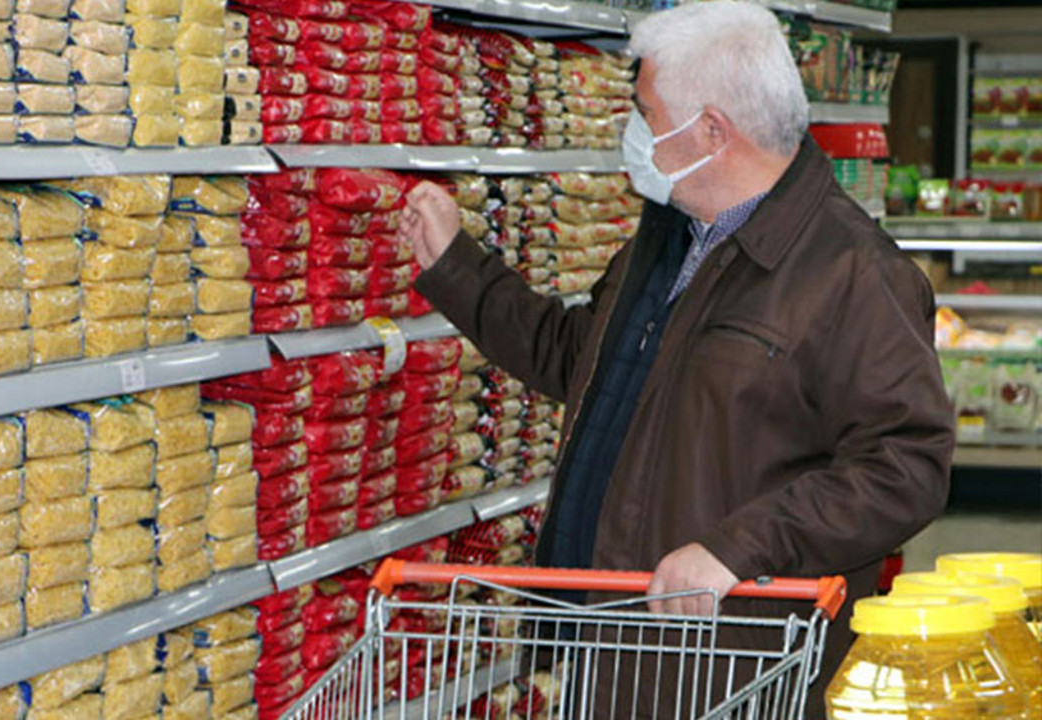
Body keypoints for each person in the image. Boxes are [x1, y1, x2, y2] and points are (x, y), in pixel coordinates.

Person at [401, 2, 954, 717]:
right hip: (617, 644)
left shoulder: (853, 275)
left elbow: (906, 466)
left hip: (738, 669)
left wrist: (738, 548)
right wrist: (455, 267)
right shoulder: (666, 241)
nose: (633, 131)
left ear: (712, 131)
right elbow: (578, 361)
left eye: (645, 110)